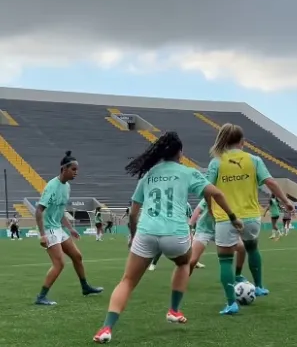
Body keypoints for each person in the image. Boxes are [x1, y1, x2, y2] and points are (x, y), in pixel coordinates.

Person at [92, 132, 243, 344]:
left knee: (127, 281)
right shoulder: (187, 172)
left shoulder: (148, 175)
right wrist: (233, 217)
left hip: (146, 232)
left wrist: (133, 236)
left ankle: (106, 328)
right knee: (183, 263)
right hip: (176, 235)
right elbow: (217, 194)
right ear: (180, 153)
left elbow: (134, 212)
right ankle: (173, 310)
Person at [207, 123, 294, 315]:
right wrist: (286, 201)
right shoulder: (254, 160)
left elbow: (208, 189)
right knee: (253, 248)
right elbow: (270, 182)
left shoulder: (216, 162)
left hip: (225, 217)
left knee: (225, 261)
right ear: (242, 142)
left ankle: (231, 303)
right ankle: (260, 286)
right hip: (250, 216)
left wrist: (209, 209)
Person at [34, 151, 103, 306]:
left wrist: (70, 228)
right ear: (64, 169)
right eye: (73, 169)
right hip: (49, 229)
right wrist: (42, 235)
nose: (76, 172)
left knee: (77, 256)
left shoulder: (67, 187)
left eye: (77, 170)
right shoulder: (52, 186)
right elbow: (39, 210)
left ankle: (85, 287)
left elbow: (60, 210)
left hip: (58, 228)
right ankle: (41, 297)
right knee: (59, 263)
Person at [188, 199, 249, 281]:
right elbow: (197, 210)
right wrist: (190, 225)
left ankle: (238, 275)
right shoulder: (211, 195)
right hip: (204, 229)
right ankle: (183, 280)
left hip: (222, 229)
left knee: (242, 248)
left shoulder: (232, 198)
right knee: (192, 261)